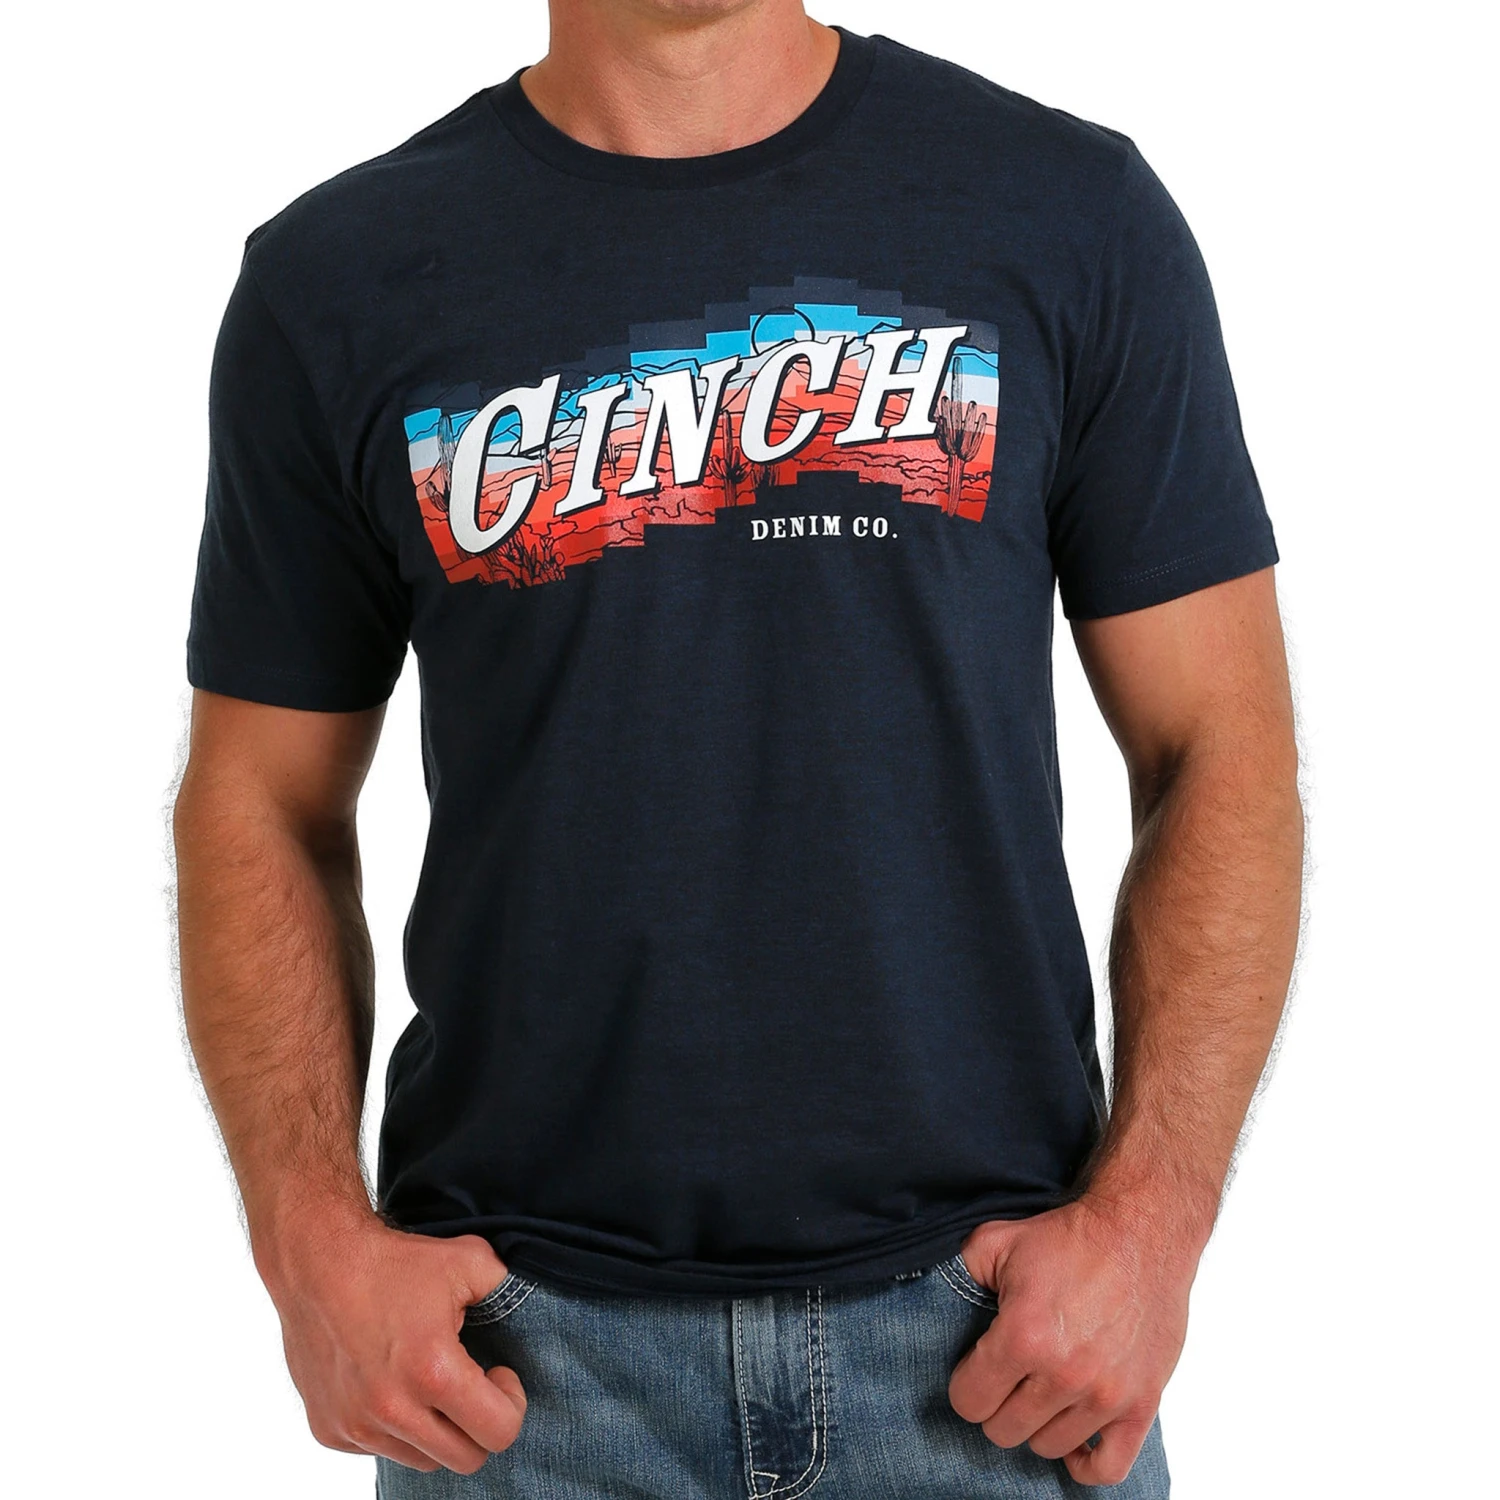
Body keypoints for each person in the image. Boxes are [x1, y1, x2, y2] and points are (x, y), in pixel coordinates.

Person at [173, 2, 1303, 1495]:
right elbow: (259, 798)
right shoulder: (339, 277)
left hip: (999, 1364)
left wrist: (1154, 1226)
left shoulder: (1067, 212)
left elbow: (1220, 745)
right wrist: (306, 1240)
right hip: (517, 1380)